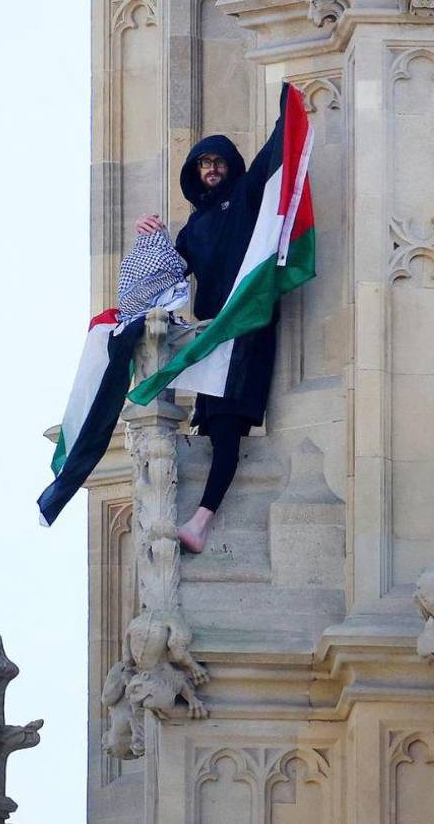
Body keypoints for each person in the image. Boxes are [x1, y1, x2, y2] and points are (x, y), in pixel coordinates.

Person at [135, 133, 279, 553]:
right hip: (213, 335)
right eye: (203, 163)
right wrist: (150, 235)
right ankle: (196, 523)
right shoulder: (195, 225)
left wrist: (291, 103)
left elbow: (273, 157)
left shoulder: (247, 196)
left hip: (247, 327)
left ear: (230, 164)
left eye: (218, 161)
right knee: (211, 423)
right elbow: (167, 273)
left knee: (227, 427)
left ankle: (200, 523)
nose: (211, 168)